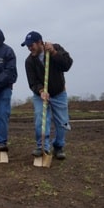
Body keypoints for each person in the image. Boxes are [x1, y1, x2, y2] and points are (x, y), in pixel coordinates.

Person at [21, 31, 73, 160]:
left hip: (59, 93)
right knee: (41, 119)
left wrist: (55, 53)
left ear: (40, 43)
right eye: (27, 46)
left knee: (62, 122)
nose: (29, 48)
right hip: (40, 95)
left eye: (31, 45)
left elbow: (67, 64)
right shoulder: (29, 61)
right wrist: (41, 91)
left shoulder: (55, 48)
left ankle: (59, 146)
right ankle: (42, 147)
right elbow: (32, 82)